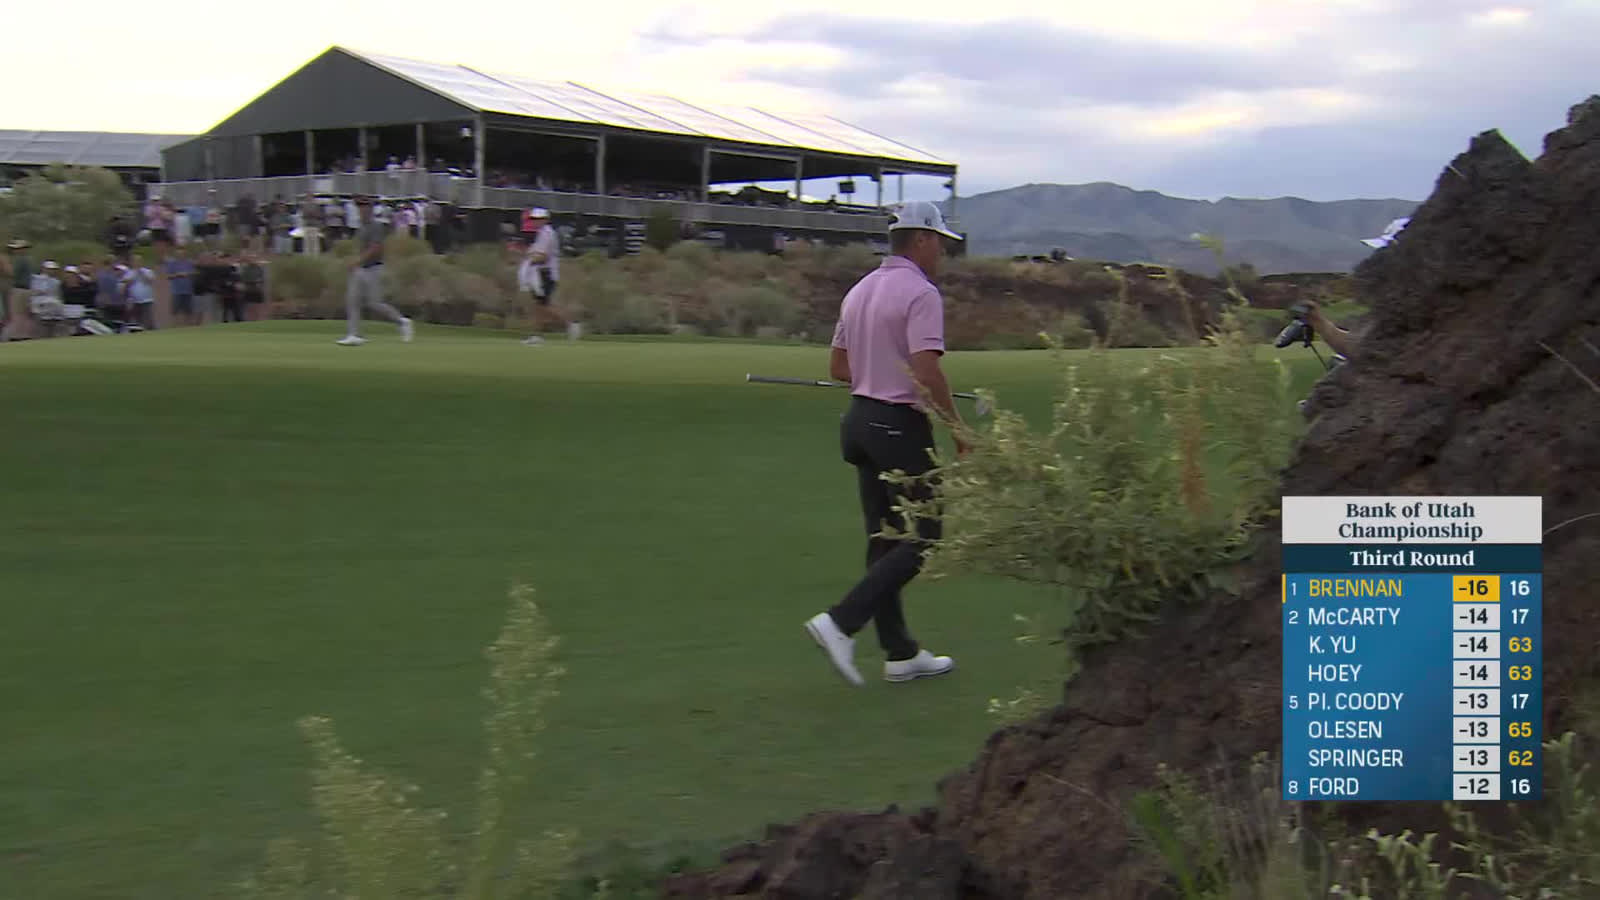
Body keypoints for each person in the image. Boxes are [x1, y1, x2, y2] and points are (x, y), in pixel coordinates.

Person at [803, 200, 969, 687]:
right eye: (939, 240)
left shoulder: (859, 290)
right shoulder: (921, 292)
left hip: (859, 423)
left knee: (886, 540)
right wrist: (959, 430)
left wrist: (878, 370)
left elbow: (838, 367)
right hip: (898, 426)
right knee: (924, 537)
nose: (942, 250)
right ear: (920, 239)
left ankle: (899, 653)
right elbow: (927, 370)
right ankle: (840, 622)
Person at [336, 195, 414, 346]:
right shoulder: (361, 227)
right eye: (359, 207)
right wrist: (355, 262)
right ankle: (354, 335)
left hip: (373, 268)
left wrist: (357, 261)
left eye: (364, 207)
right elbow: (362, 248)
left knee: (375, 303)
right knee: (352, 301)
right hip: (361, 269)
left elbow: (376, 248)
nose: (361, 210)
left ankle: (402, 321)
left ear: (370, 209)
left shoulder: (376, 226)